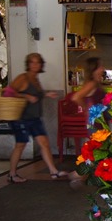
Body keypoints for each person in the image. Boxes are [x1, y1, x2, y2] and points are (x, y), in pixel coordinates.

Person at [7, 53, 67, 183]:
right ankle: (12, 174)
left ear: (41, 65)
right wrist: (26, 96)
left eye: (37, 62)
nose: (35, 65)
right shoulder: (23, 78)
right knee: (20, 145)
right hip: (21, 118)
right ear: (28, 64)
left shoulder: (35, 79)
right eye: (32, 62)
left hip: (35, 118)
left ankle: (54, 172)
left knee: (44, 143)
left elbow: (36, 96)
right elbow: (7, 92)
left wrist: (46, 94)